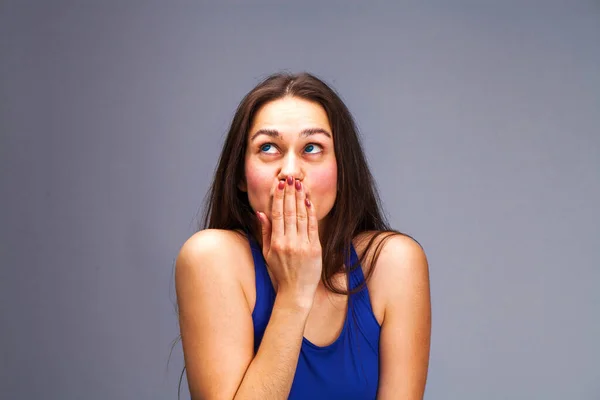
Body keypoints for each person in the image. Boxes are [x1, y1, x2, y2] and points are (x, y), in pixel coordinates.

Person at [175, 72, 431, 399]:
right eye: (268, 147)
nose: (291, 171)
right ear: (241, 175)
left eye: (312, 148)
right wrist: (295, 294)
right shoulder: (210, 258)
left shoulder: (393, 263)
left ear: (342, 170)